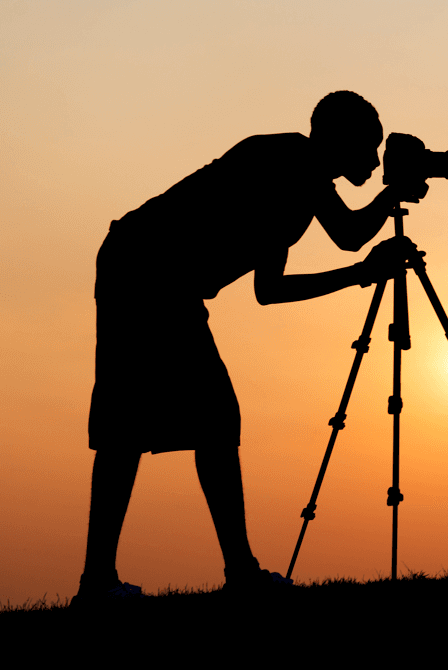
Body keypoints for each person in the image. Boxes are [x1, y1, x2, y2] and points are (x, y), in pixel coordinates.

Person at [76, 90, 408, 602]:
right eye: (370, 145)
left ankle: (133, 579)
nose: (375, 159)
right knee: (170, 421)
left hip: (154, 274)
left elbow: (269, 289)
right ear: (339, 140)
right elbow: (348, 235)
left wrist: (363, 266)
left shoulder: (298, 181)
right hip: (144, 267)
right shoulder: (289, 163)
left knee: (170, 423)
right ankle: (229, 575)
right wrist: (378, 230)